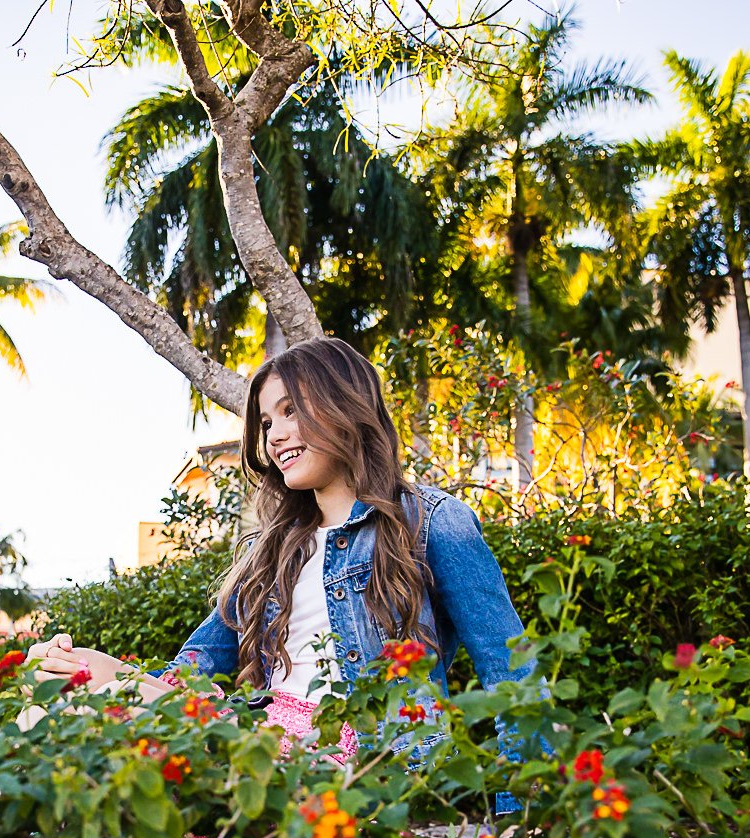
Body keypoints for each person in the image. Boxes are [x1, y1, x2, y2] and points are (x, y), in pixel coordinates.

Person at [28, 335, 532, 802]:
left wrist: (519, 821)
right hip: (263, 741)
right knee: (57, 680)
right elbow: (190, 675)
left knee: (84, 702)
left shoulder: (430, 522)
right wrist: (85, 666)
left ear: (346, 406)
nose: (276, 434)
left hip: (363, 766)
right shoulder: (273, 553)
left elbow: (512, 676)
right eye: (267, 422)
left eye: (292, 411)